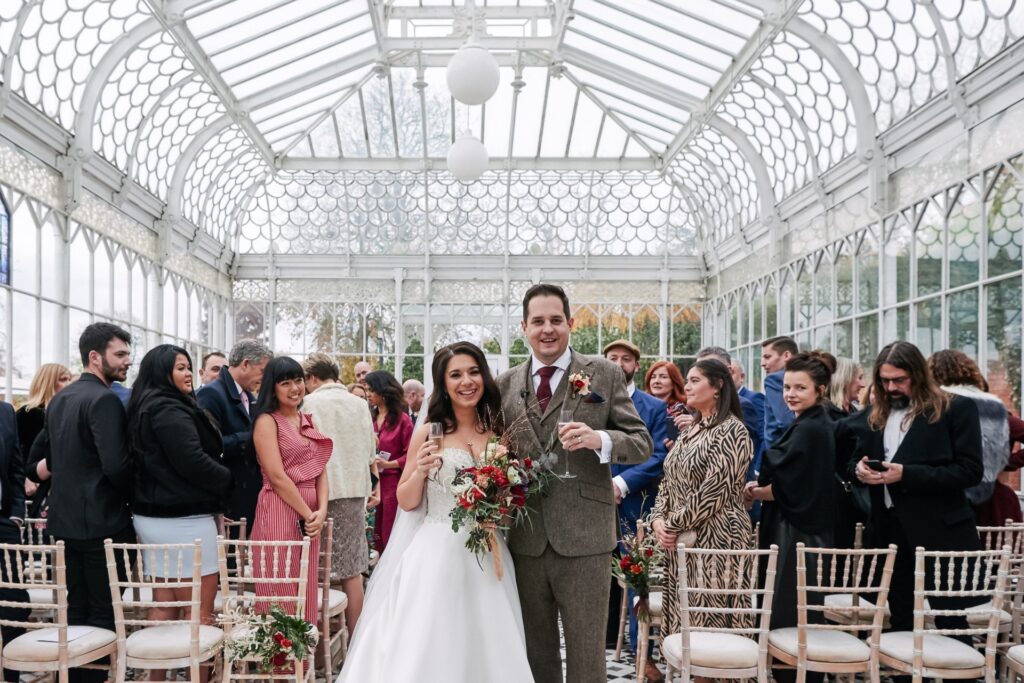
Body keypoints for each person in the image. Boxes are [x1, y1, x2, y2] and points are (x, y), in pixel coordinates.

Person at [337, 342, 533, 682]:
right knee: (433, 640)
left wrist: (500, 495)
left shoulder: (497, 431)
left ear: (484, 377)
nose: (466, 381)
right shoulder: (430, 431)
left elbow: (506, 504)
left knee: (489, 640)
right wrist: (421, 470)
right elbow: (407, 500)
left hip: (487, 551)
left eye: (473, 372)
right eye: (455, 375)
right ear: (443, 384)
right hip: (436, 553)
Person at [497, 283, 651, 683]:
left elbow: (641, 443)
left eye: (555, 320)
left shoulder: (604, 372)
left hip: (586, 536)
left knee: (586, 653)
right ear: (523, 327)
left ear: (570, 323)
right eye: (537, 322)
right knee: (537, 651)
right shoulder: (505, 385)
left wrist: (600, 439)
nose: (547, 329)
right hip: (526, 537)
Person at [838, 341, 983, 634]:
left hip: (940, 532)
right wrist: (859, 471)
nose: (890, 387)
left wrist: (906, 474)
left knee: (950, 620)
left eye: (898, 380)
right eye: (884, 380)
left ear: (918, 375)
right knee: (900, 618)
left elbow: (970, 471)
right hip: (888, 530)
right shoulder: (874, 414)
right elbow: (853, 460)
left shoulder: (956, 409)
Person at [30, 323, 134, 683]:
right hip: (102, 522)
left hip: (63, 522)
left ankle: (76, 678)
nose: (127, 361)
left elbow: (53, 459)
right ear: (95, 357)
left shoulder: (61, 398)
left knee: (75, 610)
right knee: (104, 614)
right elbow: (116, 465)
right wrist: (131, 498)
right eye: (119, 354)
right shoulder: (104, 399)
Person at [652, 359, 754, 683]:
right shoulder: (693, 428)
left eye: (696, 380)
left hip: (718, 542)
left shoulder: (733, 430)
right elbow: (668, 480)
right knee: (687, 630)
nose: (689, 387)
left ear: (718, 385)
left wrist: (672, 524)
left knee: (710, 629)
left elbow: (715, 490)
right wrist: (657, 520)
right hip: (682, 542)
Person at [744, 352, 836, 683]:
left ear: (820, 389)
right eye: (786, 387)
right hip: (794, 527)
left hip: (799, 533)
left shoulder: (813, 428)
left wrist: (758, 491)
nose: (790, 394)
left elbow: (797, 486)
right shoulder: (807, 422)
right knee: (790, 610)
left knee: (791, 611)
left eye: (800, 387)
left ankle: (794, 676)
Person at [603, 339, 667, 682]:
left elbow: (657, 455)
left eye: (625, 359)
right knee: (599, 573)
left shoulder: (653, 406)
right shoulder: (589, 399)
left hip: (635, 503)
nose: (618, 363)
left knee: (637, 576)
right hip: (593, 502)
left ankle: (642, 651)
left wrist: (621, 483)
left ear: (635, 366)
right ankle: (604, 637)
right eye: (611, 357)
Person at [250, 357, 332, 624]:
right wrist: (310, 514)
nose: (295, 388)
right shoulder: (267, 421)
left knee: (305, 583)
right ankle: (279, 661)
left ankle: (299, 662)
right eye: (285, 383)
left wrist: (322, 511)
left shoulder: (306, 419)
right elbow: (276, 477)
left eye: (298, 380)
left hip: (309, 515)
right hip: (279, 509)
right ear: (272, 388)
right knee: (280, 582)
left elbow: (321, 469)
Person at [301, 353, 376, 635]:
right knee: (352, 571)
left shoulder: (308, 403)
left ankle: (319, 648)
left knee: (315, 575)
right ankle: (357, 641)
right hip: (354, 493)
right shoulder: (359, 404)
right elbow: (371, 452)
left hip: (317, 495)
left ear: (312, 378)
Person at [196, 339, 272, 535]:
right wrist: (254, 437)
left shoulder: (250, 396)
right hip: (228, 498)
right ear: (245, 364)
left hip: (246, 496)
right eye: (263, 371)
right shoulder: (211, 394)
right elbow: (209, 446)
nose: (265, 378)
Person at [928, 349, 1010, 519]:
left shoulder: (937, 403)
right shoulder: (995, 405)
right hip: (987, 493)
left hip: (945, 495)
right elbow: (1002, 453)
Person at [365, 370, 413, 553]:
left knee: (388, 533)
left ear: (383, 391)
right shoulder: (368, 418)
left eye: (371, 390)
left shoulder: (403, 421)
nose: (368, 394)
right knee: (373, 534)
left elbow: (411, 455)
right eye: (366, 390)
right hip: (371, 482)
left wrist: (388, 464)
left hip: (393, 484)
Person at [17, 363, 72, 518]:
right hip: (35, 487)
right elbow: (16, 452)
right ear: (48, 382)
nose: (68, 384)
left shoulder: (67, 412)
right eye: (63, 379)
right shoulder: (27, 414)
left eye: (69, 379)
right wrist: (25, 478)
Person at [0, 398, 29, 683]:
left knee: (16, 600)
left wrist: (17, 514)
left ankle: (13, 675)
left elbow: (15, 467)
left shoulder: (6, 411)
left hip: (5, 522)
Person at [761, 335, 798, 447]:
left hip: (780, 451)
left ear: (786, 355)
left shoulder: (774, 379)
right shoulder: (806, 377)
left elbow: (785, 420)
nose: (762, 363)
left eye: (767, 357)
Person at [644, 360, 689, 449]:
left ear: (674, 383)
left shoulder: (680, 410)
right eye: (653, 377)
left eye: (663, 377)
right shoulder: (641, 405)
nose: (656, 381)